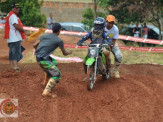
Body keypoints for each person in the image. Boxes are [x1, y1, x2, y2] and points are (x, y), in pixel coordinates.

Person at [34, 23, 72, 98]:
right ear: (59, 31)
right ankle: (46, 92)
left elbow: (34, 45)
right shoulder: (59, 40)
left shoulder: (44, 35)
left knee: (54, 62)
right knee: (57, 75)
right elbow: (64, 53)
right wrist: (69, 52)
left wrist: (39, 52)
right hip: (43, 59)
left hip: (39, 57)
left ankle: (46, 81)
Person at [4, 3, 29, 71]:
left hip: (11, 37)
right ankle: (15, 67)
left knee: (12, 52)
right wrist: (24, 31)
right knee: (15, 52)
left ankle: (12, 66)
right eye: (16, 7)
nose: (18, 9)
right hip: (14, 37)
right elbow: (16, 26)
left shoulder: (9, 14)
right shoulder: (13, 16)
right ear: (12, 8)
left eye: (18, 7)